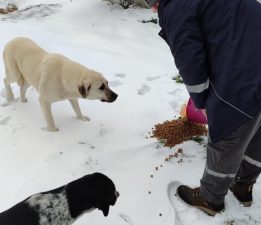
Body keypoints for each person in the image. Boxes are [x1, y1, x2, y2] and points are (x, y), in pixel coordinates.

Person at [146, 0, 261, 216]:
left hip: (243, 77)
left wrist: (202, 101)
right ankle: (243, 186)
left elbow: (190, 61)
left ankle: (210, 198)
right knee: (257, 133)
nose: (153, 9)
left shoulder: (176, 7)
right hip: (252, 59)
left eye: (152, 3)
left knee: (226, 138)